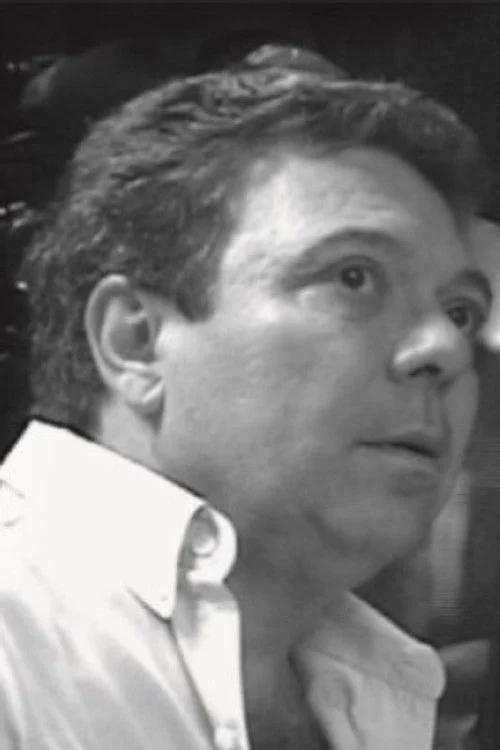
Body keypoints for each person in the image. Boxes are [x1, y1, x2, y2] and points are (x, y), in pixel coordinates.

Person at [0, 63, 493, 750]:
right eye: (353, 276)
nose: (445, 347)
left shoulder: (387, 683)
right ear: (135, 342)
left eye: (462, 312)